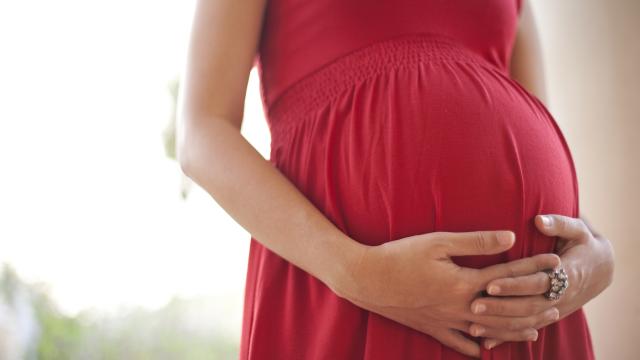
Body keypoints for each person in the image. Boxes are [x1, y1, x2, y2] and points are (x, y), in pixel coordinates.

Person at [176, 0, 615, 359]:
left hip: (523, 322)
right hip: (350, 295)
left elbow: (529, 122)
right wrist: (357, 273)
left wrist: (592, 254)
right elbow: (202, 131)